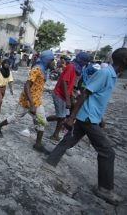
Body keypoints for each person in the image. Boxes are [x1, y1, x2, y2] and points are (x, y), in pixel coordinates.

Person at [44, 48, 127, 206]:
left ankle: (50, 162)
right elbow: (85, 94)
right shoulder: (105, 73)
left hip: (91, 116)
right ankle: (104, 188)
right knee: (107, 152)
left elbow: (97, 97)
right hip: (87, 117)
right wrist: (72, 116)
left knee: (68, 141)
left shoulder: (112, 74)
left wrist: (100, 117)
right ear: (123, 60)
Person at [0, 50, 55, 154]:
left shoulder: (44, 70)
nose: (54, 63)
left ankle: (38, 144)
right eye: (52, 60)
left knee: (41, 121)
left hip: (37, 101)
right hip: (28, 101)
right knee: (15, 116)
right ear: (47, 60)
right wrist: (31, 104)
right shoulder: (36, 69)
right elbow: (26, 86)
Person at [46, 52, 90, 141]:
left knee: (62, 116)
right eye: (85, 61)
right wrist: (68, 99)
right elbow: (63, 82)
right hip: (59, 94)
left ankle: (49, 123)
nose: (86, 64)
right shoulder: (71, 67)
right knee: (62, 116)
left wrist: (72, 95)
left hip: (64, 94)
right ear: (81, 60)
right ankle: (54, 133)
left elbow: (70, 83)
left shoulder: (76, 68)